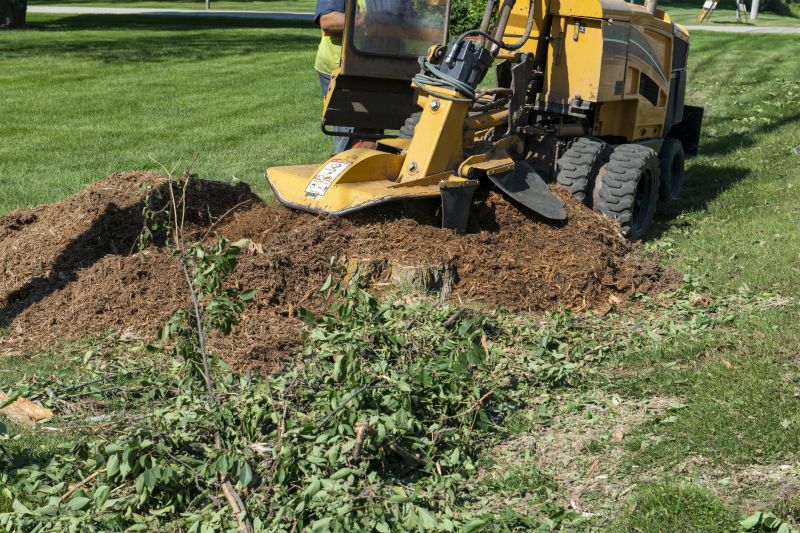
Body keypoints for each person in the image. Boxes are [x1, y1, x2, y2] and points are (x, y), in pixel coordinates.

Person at [314, 0, 354, 154]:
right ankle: (344, 166)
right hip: (341, 67)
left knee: (374, 128)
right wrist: (369, 22)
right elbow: (328, 20)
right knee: (350, 132)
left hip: (382, 64)